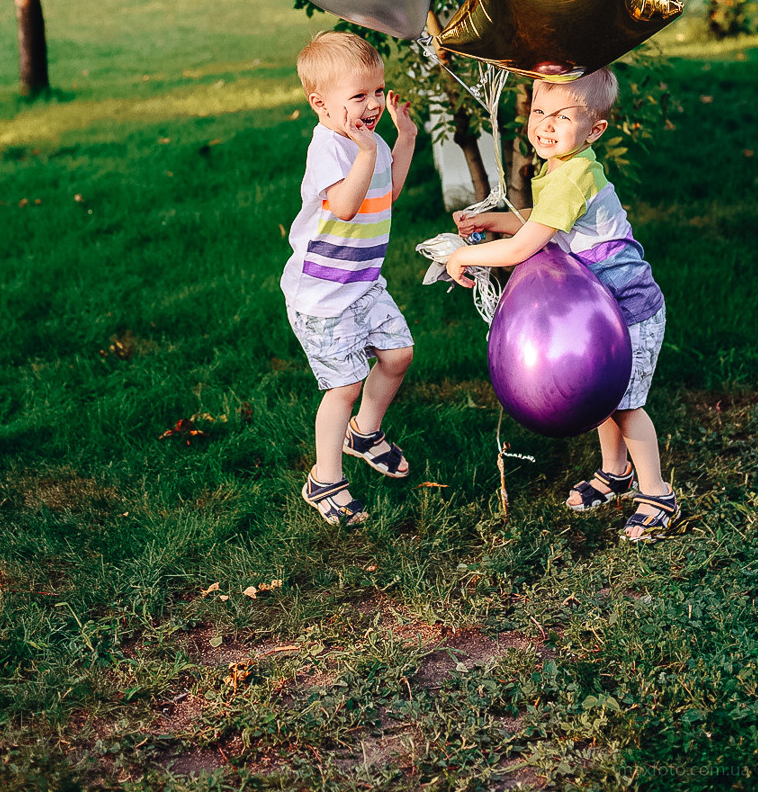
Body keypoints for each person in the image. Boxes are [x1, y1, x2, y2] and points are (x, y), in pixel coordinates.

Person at [446, 68, 679, 543]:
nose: (545, 125)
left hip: (630, 308)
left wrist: (462, 256)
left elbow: (524, 247)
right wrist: (495, 221)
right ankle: (616, 473)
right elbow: (546, 221)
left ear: (594, 130)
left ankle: (658, 495)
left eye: (563, 117)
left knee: (625, 405)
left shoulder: (571, 176)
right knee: (605, 396)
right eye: (538, 112)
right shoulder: (566, 166)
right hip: (603, 309)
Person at [281, 30, 417, 526]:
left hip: (363, 283)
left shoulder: (369, 142)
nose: (374, 103)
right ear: (320, 104)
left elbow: (389, 191)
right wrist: (366, 153)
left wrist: (404, 139)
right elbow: (344, 205)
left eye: (378, 91)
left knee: (398, 355)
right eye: (359, 95)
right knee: (344, 385)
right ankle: (325, 480)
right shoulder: (330, 149)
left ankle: (364, 433)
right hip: (323, 296)